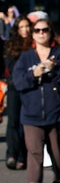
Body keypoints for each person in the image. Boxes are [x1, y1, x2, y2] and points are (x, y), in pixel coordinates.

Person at [13, 18, 60, 183]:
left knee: (57, 151)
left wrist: (55, 68)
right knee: (34, 151)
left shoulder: (59, 53)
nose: (41, 33)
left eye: (44, 30)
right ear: (33, 34)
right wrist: (33, 74)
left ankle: (57, 180)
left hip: (56, 113)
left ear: (50, 32)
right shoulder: (26, 57)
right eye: (37, 30)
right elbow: (17, 82)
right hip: (31, 114)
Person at [2, 16, 31, 170]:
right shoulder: (11, 44)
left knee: (26, 123)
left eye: (27, 26)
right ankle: (12, 154)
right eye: (22, 27)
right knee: (13, 121)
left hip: (31, 88)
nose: (25, 30)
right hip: (15, 86)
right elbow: (11, 67)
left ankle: (22, 156)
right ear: (17, 29)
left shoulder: (34, 44)